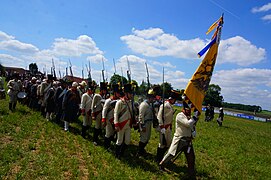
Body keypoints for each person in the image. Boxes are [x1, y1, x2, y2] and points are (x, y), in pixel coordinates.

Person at [159, 103, 199, 178]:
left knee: (191, 157)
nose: (189, 111)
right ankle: (162, 164)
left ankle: (191, 172)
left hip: (188, 140)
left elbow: (192, 125)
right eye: (187, 109)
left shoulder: (189, 117)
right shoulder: (180, 115)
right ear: (184, 109)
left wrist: (194, 130)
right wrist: (195, 117)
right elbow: (188, 124)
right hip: (180, 139)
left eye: (189, 110)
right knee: (171, 154)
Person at [156, 90, 179, 163]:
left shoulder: (170, 106)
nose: (175, 101)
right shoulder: (164, 105)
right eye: (174, 100)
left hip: (168, 127)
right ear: (172, 99)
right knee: (162, 144)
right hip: (163, 127)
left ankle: (162, 157)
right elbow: (159, 117)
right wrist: (162, 127)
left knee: (168, 143)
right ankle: (158, 159)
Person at [114, 83, 135, 159]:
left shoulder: (130, 102)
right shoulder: (120, 102)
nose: (131, 95)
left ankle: (121, 153)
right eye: (130, 93)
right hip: (121, 124)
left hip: (128, 124)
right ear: (126, 93)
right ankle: (117, 155)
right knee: (119, 141)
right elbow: (116, 113)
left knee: (127, 141)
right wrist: (116, 124)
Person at [136, 88, 156, 157]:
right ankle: (139, 152)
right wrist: (142, 125)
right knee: (143, 138)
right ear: (149, 97)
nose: (153, 99)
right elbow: (141, 116)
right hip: (144, 124)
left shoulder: (149, 104)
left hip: (149, 124)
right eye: (152, 97)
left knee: (147, 138)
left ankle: (142, 150)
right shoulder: (144, 105)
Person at [102, 84, 121, 150]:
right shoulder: (108, 101)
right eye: (118, 93)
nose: (119, 95)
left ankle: (108, 145)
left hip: (114, 120)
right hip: (108, 119)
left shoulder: (119, 101)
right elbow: (104, 111)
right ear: (115, 93)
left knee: (112, 133)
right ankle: (106, 146)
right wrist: (104, 120)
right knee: (108, 133)